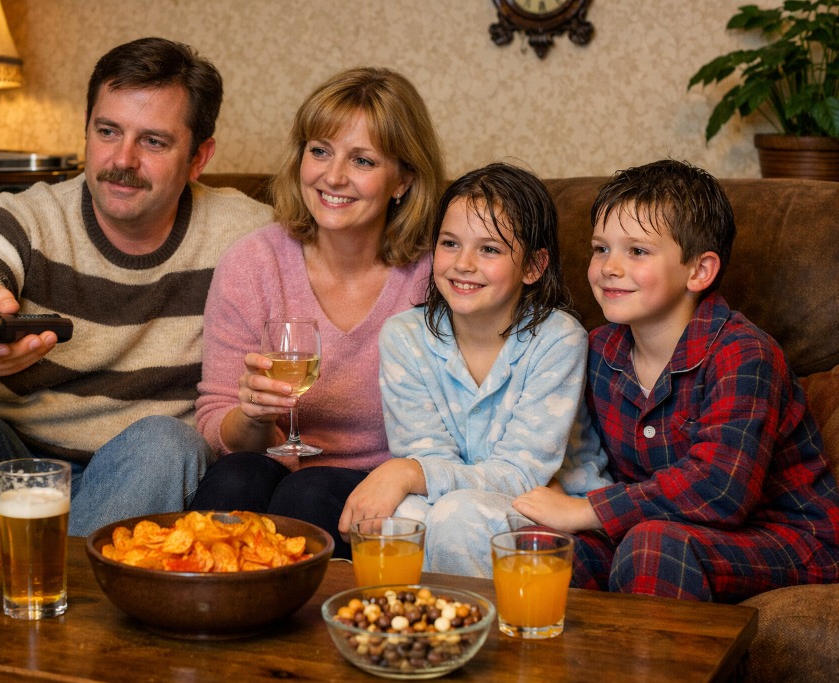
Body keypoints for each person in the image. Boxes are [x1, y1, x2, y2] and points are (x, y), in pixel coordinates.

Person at [0, 37, 273, 537]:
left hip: (139, 474)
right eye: (108, 131)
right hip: (5, 467)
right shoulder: (26, 217)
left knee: (169, 442)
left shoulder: (248, 235)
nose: (123, 159)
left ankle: (70, 608)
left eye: (154, 141)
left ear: (199, 157)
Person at [513, 159, 839, 602]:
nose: (609, 267)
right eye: (600, 248)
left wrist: (587, 508)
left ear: (699, 271)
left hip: (786, 536)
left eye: (637, 251)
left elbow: (719, 489)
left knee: (655, 545)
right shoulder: (598, 352)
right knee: (544, 547)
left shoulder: (744, 354)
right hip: (656, 528)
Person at [188, 66, 447, 557]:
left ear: (404, 180)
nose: (333, 176)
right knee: (235, 477)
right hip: (271, 464)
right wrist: (253, 414)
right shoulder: (253, 262)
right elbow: (218, 425)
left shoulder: (433, 276)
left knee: (306, 494)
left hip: (383, 482)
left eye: (363, 160)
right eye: (320, 151)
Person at [339, 162, 609, 577]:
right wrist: (412, 472)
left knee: (457, 516)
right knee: (400, 520)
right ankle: (408, 637)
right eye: (450, 243)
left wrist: (407, 471)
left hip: (551, 511)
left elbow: (522, 476)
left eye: (489, 249)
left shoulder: (559, 339)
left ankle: (478, 637)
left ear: (534, 266)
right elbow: (426, 455)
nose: (463, 263)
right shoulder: (404, 337)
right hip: (457, 502)